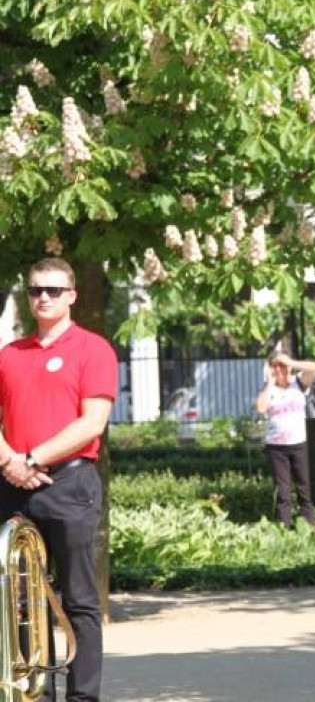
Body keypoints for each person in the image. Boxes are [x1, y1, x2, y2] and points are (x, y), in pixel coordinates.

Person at [0, 257, 118, 702]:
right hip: (11, 483)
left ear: (72, 295)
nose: (43, 297)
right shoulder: (10, 354)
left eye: (52, 290)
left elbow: (92, 424)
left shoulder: (93, 349)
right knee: (20, 601)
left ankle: (82, 698)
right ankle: (35, 693)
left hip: (69, 485)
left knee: (79, 602)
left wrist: (30, 458)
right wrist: (11, 461)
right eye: (35, 290)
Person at [254, 351, 315, 527]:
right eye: (275, 365)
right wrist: (270, 382)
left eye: (281, 365)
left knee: (303, 487)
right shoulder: (268, 389)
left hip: (298, 444)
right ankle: (284, 527)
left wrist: (290, 361)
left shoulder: (298, 383)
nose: (279, 369)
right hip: (276, 447)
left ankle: (308, 524)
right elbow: (261, 408)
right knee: (282, 492)